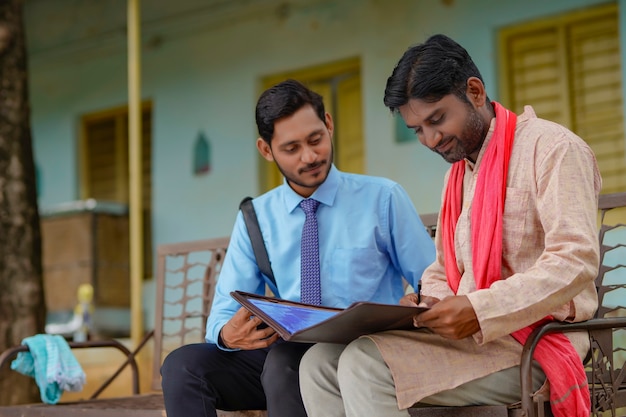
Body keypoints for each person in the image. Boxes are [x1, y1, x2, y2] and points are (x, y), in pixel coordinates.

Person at [299, 34, 601, 417]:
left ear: (474, 91)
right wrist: (428, 303)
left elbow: (575, 260)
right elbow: (443, 269)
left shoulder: (553, 149)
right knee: (318, 363)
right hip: (472, 342)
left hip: (537, 342)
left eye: (437, 119)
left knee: (364, 363)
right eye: (417, 130)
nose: (430, 139)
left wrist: (478, 308)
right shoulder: (458, 175)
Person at [160, 78, 436, 417]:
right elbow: (223, 311)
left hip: (361, 351)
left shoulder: (382, 198)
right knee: (183, 367)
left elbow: (432, 279)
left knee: (284, 363)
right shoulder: (256, 217)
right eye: (291, 148)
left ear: (329, 125)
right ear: (266, 150)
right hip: (283, 353)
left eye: (315, 139)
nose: (309, 156)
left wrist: (418, 301)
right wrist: (228, 333)